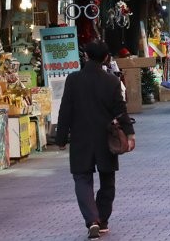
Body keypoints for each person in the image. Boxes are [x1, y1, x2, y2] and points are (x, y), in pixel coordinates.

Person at [56, 40, 135, 239]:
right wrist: (130, 134)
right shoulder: (112, 81)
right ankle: (103, 220)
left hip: (81, 139)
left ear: (86, 56)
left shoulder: (73, 80)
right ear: (106, 58)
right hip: (106, 138)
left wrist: (61, 137)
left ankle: (92, 220)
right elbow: (120, 110)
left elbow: (65, 110)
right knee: (107, 179)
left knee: (82, 179)